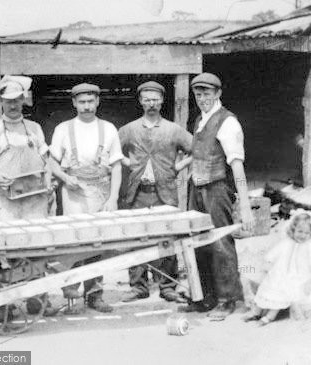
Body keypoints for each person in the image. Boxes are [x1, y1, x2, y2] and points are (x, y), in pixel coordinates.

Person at [0, 75, 56, 316]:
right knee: (2, 251)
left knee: (35, 249)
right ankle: (3, 305)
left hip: (34, 200)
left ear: (23, 100)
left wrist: (49, 181)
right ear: (1, 101)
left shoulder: (34, 129)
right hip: (3, 202)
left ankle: (37, 299)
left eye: (17, 100)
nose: (12, 105)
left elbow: (47, 160)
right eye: (8, 100)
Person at [180, 72, 254, 320]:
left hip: (217, 189)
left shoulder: (228, 122)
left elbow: (237, 166)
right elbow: (202, 151)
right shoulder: (200, 120)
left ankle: (227, 298)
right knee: (198, 241)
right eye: (198, 94)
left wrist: (245, 206)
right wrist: (182, 165)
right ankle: (205, 297)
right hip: (197, 188)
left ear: (218, 93)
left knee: (221, 243)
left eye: (207, 94)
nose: (202, 99)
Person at [50, 83, 123, 313]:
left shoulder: (109, 129)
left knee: (97, 243)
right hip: (74, 193)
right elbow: (51, 162)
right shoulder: (63, 129)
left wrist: (113, 198)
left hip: (100, 191)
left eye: (91, 101)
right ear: (74, 103)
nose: (87, 107)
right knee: (74, 241)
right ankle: (71, 293)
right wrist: (63, 176)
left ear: (98, 101)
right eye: (82, 102)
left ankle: (95, 295)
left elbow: (117, 167)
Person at [119, 81, 192, 303]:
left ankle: (167, 286)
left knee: (167, 237)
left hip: (165, 193)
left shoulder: (173, 129)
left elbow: (197, 149)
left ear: (162, 101)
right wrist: (127, 163)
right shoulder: (129, 129)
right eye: (147, 99)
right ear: (140, 101)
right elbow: (112, 153)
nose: (151, 104)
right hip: (137, 192)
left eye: (155, 99)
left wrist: (178, 167)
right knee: (137, 238)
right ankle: (138, 286)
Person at [243, 210, 311, 326]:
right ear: (293, 229)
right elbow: (273, 254)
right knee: (270, 284)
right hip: (281, 272)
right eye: (299, 231)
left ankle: (270, 316)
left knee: (284, 290)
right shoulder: (286, 242)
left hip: (300, 276)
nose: (302, 235)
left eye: (306, 233)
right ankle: (257, 311)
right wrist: (268, 263)